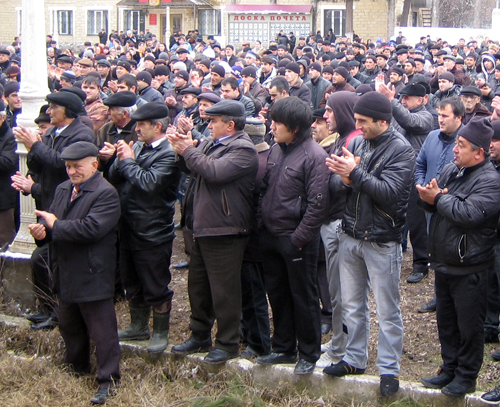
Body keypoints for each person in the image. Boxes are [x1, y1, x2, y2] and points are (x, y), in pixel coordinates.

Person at [323, 92, 415, 398]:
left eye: (364, 121)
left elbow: (389, 193)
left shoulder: (401, 150)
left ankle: (389, 368)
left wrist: (354, 173)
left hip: (381, 240)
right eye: (357, 120)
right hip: (350, 234)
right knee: (352, 304)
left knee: (388, 310)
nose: (358, 125)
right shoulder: (356, 143)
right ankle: (354, 358)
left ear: (383, 121)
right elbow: (336, 184)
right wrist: (346, 177)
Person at [28, 141, 121, 405]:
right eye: (68, 167)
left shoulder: (106, 193)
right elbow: (51, 219)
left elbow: (91, 228)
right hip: (65, 268)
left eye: (77, 166)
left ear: (94, 164)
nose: (71, 172)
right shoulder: (63, 189)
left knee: (102, 331)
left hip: (93, 271)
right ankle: (76, 367)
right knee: (70, 325)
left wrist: (55, 226)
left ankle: (108, 380)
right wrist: (42, 232)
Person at [168, 100, 258, 364]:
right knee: (198, 286)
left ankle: (228, 342)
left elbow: (214, 171)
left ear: (230, 124)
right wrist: (181, 148)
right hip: (202, 226)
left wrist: (189, 151)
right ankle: (200, 335)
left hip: (226, 229)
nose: (208, 125)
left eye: (213, 121)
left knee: (224, 291)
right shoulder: (210, 143)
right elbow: (190, 167)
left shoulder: (243, 149)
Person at [418, 119, 500, 398]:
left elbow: (469, 214)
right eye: (456, 143)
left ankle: (466, 377)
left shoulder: (490, 180)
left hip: (471, 266)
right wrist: (428, 196)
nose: (454, 149)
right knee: (447, 321)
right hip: (444, 261)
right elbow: (434, 195)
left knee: (469, 327)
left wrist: (439, 198)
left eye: (461, 145)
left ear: (479, 153)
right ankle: (449, 368)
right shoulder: (454, 169)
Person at [256, 97, 330, 375]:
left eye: (278, 122)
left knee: (304, 296)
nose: (271, 126)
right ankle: (283, 347)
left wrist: (297, 238)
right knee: (277, 294)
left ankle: (309, 352)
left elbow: (317, 205)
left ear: (295, 127)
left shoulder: (314, 156)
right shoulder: (276, 150)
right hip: (271, 236)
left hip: (296, 241)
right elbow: (265, 188)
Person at [12, 92, 95, 330]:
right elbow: (39, 164)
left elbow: (62, 165)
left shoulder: (82, 134)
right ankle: (48, 308)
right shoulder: (51, 133)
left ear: (68, 110)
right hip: (49, 201)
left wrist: (36, 145)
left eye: (53, 107)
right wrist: (32, 154)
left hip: (69, 207)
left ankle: (59, 312)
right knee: (42, 258)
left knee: (48, 259)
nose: (48, 112)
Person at [109, 103, 179, 354]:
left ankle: (161, 331)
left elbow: (149, 183)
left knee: (155, 283)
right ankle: (138, 325)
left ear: (157, 126)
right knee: (131, 279)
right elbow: (116, 178)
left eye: (141, 125)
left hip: (152, 230)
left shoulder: (169, 154)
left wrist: (127, 162)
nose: (136, 129)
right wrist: (117, 159)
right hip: (128, 225)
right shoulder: (137, 147)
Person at [317, 91, 361, 369]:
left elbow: (345, 184)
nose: (324, 116)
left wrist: (332, 177)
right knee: (336, 291)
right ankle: (339, 343)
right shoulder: (341, 139)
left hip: (338, 223)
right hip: (331, 221)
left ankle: (341, 349)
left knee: (342, 292)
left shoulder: (353, 142)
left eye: (331, 110)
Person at [378, 82, 434, 284]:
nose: (403, 102)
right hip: (396, 175)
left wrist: (391, 101)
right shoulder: (398, 113)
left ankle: (421, 264)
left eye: (407, 99)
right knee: (392, 217)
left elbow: (410, 121)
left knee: (417, 224)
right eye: (401, 98)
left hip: (415, 177)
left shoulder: (426, 116)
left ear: (421, 100)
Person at [97, 91, 138, 179]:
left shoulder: (138, 131)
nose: (107, 112)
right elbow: (96, 164)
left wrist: (115, 154)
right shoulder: (105, 129)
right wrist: (103, 158)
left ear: (125, 114)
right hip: (109, 183)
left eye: (111, 109)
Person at [0, 100, 18, 248]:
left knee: (4, 239)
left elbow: (7, 162)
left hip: (3, 197)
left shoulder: (10, 137)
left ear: (3, 118)